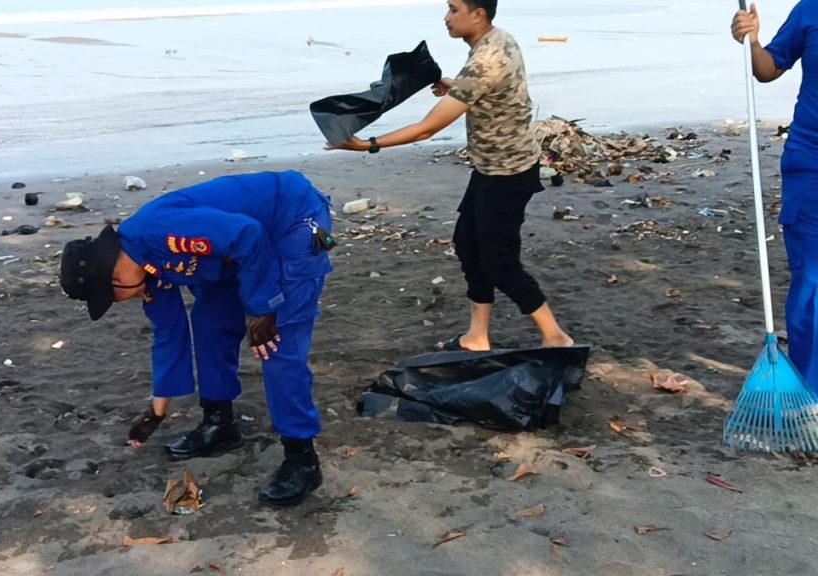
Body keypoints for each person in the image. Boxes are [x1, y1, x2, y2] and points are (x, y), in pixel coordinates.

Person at [59, 170, 335, 506]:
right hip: (239, 250)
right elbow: (168, 335)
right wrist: (156, 411)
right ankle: (219, 423)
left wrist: (262, 308)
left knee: (275, 345)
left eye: (113, 296)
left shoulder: (157, 233)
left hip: (290, 217)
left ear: (116, 274)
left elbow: (248, 233)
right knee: (208, 323)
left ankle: (302, 458)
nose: (125, 300)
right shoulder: (143, 268)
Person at [328, 0, 572, 352]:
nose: (446, 16)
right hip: (491, 167)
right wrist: (455, 86)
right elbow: (493, 87)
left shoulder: (486, 59)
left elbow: (428, 129)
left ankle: (555, 336)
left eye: (454, 8)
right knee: (468, 245)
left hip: (508, 173)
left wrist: (368, 145)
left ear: (478, 13)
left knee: (499, 262)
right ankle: (477, 336)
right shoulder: (498, 40)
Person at [732, 2, 818, 389]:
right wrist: (752, 40)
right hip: (811, 162)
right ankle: (811, 393)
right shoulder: (810, 10)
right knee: (812, 281)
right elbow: (767, 69)